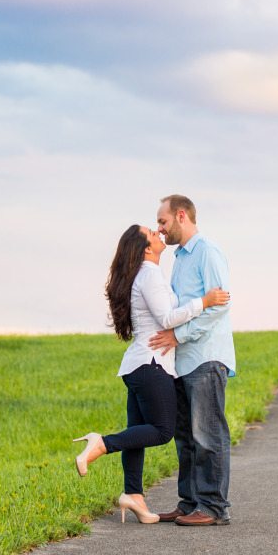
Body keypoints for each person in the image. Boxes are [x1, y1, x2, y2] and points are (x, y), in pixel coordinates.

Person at [71, 224, 229, 524]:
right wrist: (204, 302)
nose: (159, 234)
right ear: (146, 248)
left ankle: (134, 496)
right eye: (152, 234)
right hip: (152, 365)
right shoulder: (151, 274)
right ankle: (101, 443)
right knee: (162, 431)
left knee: (137, 435)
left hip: (137, 365)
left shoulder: (139, 276)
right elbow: (168, 318)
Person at [148, 195, 236, 527]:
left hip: (205, 358)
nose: (160, 229)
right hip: (182, 362)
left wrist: (178, 336)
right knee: (185, 437)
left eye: (163, 221)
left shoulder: (208, 252)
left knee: (207, 434)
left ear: (181, 215)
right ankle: (189, 503)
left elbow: (219, 305)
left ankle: (213, 507)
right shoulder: (180, 259)